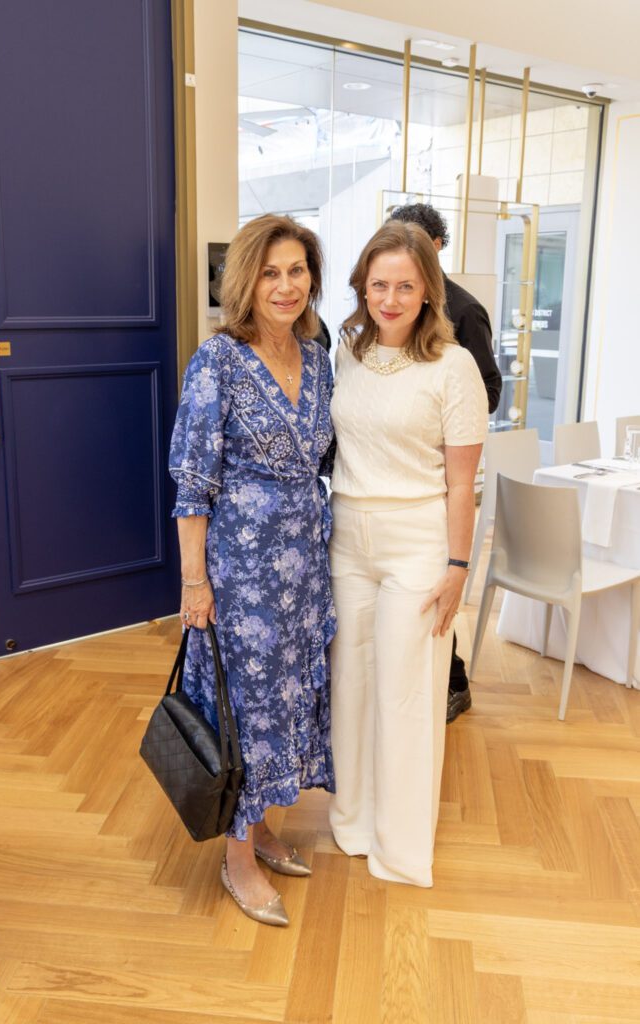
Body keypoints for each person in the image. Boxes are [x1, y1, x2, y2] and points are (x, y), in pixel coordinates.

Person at [169, 214, 336, 927]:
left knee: (285, 702)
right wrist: (194, 582)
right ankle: (236, 859)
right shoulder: (218, 361)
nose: (285, 285)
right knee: (244, 710)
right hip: (240, 575)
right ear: (246, 281)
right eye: (270, 272)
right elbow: (192, 483)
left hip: (304, 573)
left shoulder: (318, 358)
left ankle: (261, 826)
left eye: (296, 270)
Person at [328, 220, 487, 886]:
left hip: (418, 542)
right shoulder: (347, 352)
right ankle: (353, 821)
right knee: (351, 686)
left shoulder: (453, 367)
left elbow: (462, 485)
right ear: (362, 287)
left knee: (406, 694)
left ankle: (400, 847)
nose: (389, 300)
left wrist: (458, 568)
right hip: (347, 536)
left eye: (404, 286)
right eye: (378, 285)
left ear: (428, 291)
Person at [390, 202, 502, 723]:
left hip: (438, 477)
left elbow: (489, 389)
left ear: (436, 246)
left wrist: (444, 419)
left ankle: (455, 683)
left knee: (437, 590)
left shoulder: (464, 310)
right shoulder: (387, 309)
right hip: (394, 478)